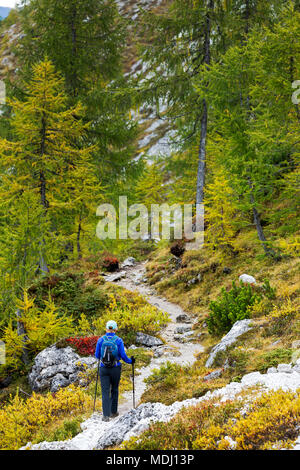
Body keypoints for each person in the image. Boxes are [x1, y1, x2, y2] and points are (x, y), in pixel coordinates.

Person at [95, 320, 135, 422]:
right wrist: (131, 361)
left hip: (103, 368)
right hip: (115, 368)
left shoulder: (100, 340)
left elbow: (97, 356)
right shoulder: (119, 340)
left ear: (106, 328)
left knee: (105, 391)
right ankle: (114, 412)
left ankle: (105, 415)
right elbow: (123, 356)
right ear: (116, 329)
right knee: (115, 389)